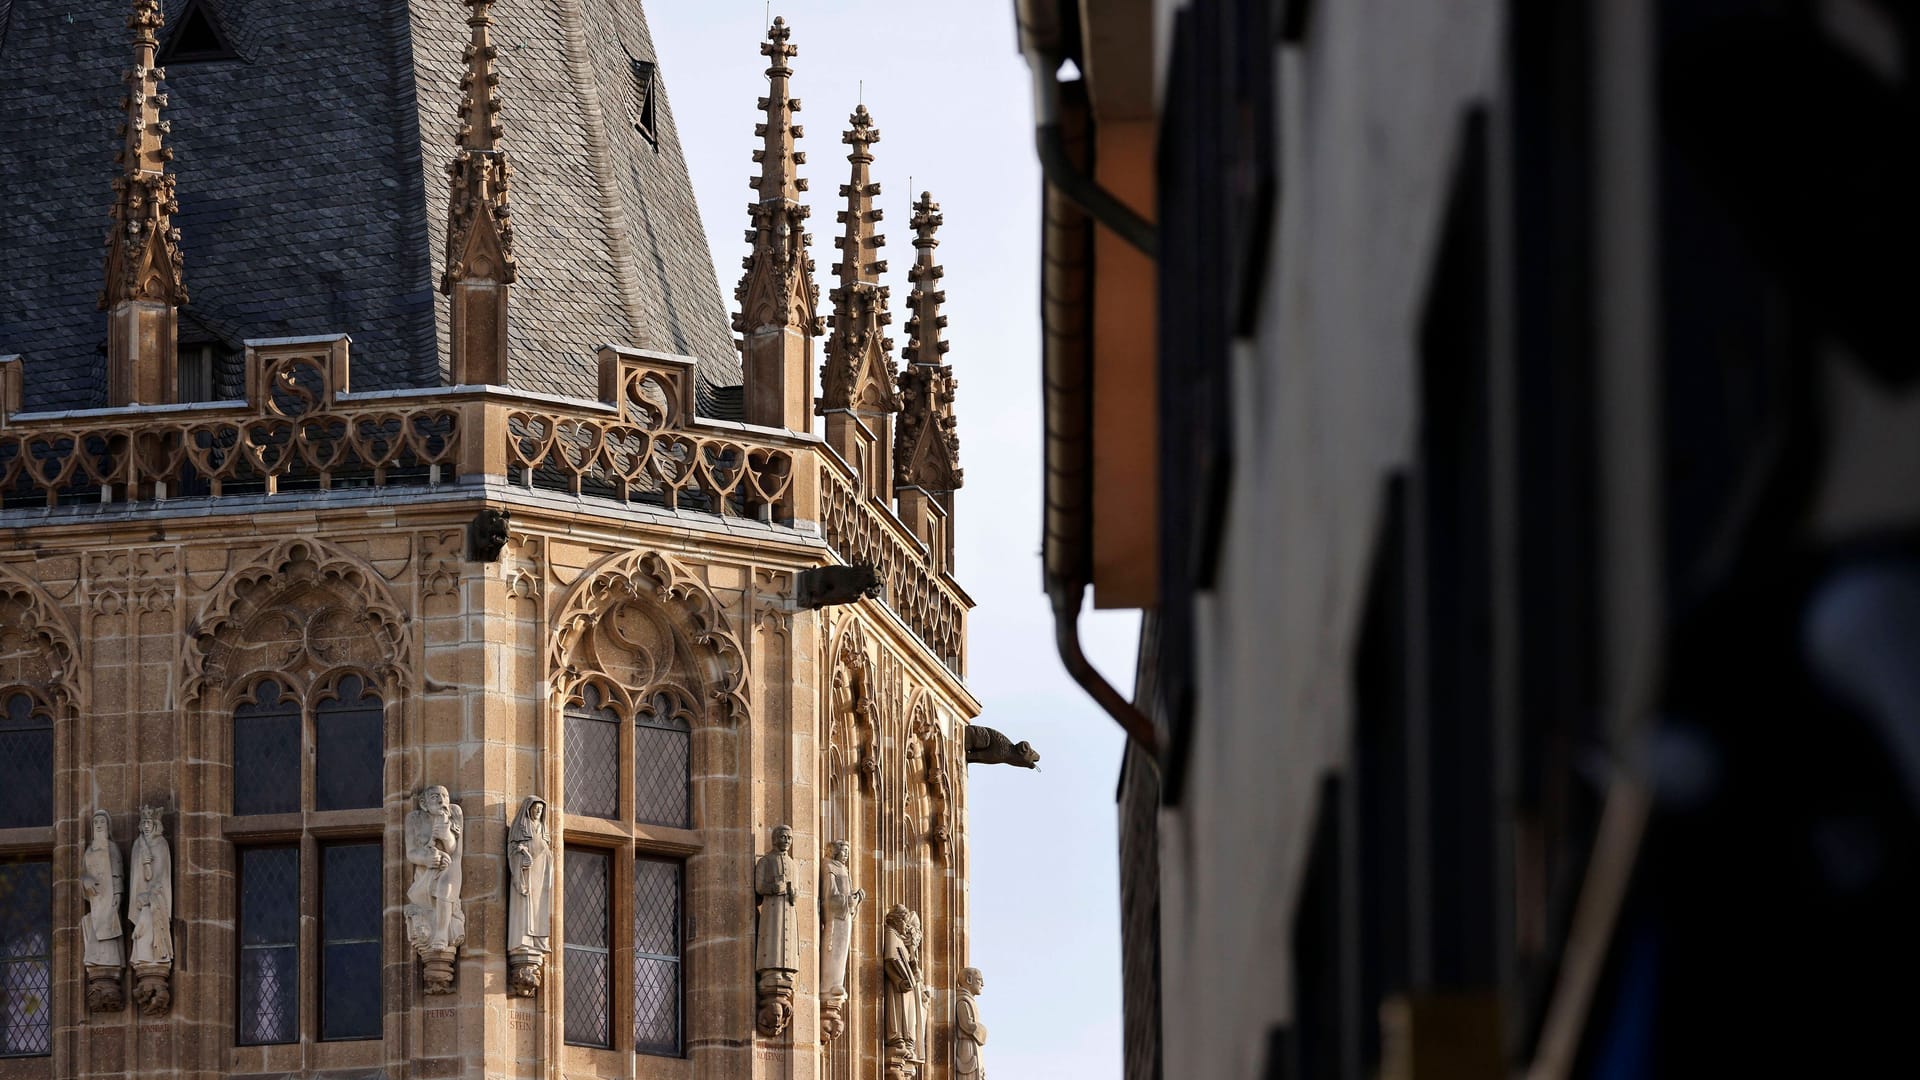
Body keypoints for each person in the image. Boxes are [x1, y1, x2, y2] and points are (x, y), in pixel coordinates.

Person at [507, 796, 553, 958]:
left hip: (541, 872)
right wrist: (521, 856)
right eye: (536, 809)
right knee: (525, 904)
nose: (538, 812)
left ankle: (539, 940)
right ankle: (524, 940)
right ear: (529, 809)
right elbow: (513, 850)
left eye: (541, 810)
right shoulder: (520, 826)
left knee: (540, 905)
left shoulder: (542, 827)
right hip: (526, 873)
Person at [127, 807, 172, 966]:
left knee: (152, 931)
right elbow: (136, 876)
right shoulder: (137, 845)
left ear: (155, 825)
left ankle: (157, 956)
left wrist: (152, 894)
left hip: (155, 900)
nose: (146, 826)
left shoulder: (161, 844)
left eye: (149, 822)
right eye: (144, 822)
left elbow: (162, 875)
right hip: (142, 899)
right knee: (142, 932)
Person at [80, 811, 123, 970]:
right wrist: (85, 882)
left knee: (108, 924)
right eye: (95, 822)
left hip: (108, 894)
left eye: (102, 822)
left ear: (107, 826)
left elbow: (118, 873)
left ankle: (108, 960)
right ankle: (95, 957)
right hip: (95, 898)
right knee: (97, 925)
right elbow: (83, 874)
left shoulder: (112, 848)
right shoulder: (89, 851)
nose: (98, 825)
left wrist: (118, 893)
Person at [955, 966, 988, 1079]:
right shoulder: (963, 1001)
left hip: (972, 1044)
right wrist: (982, 1030)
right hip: (967, 1047)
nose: (982, 984)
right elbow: (967, 1025)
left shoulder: (968, 1000)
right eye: (979, 980)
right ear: (969, 980)